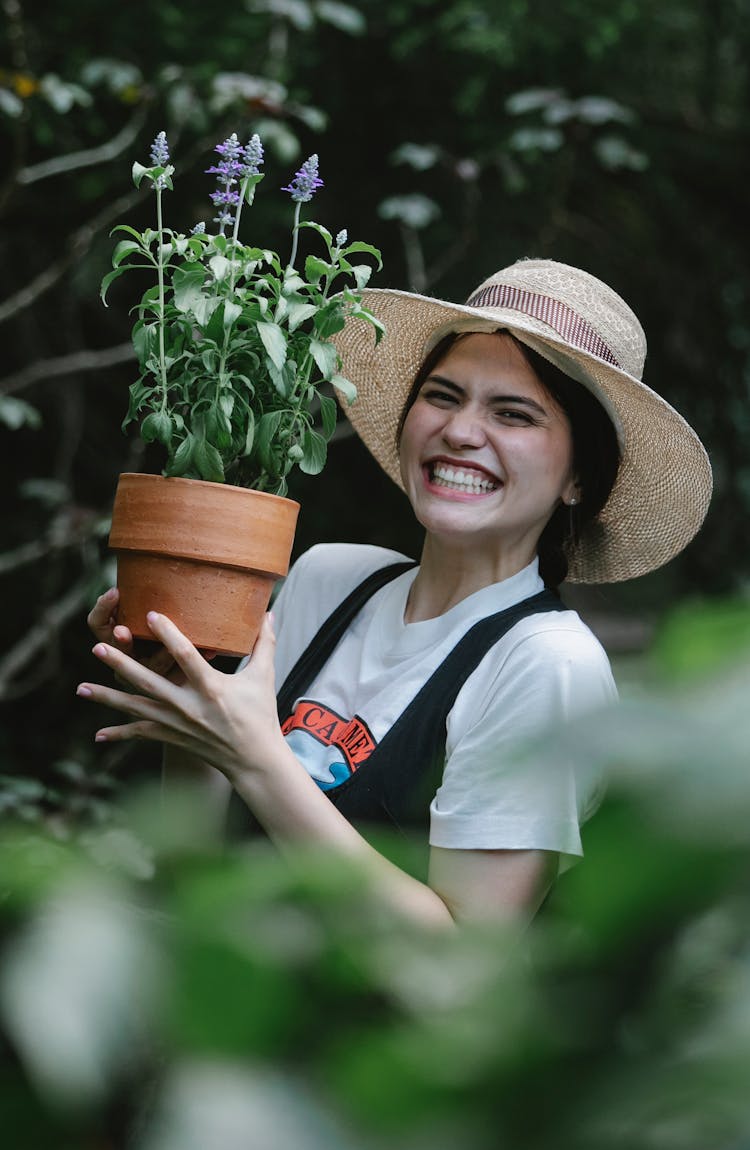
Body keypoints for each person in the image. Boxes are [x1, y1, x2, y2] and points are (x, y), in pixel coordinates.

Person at [81, 258, 712, 928]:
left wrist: (258, 758)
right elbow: (198, 862)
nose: (462, 431)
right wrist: (190, 697)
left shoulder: (545, 665)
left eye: (513, 413)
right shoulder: (329, 579)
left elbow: (466, 963)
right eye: (442, 396)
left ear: (579, 478)